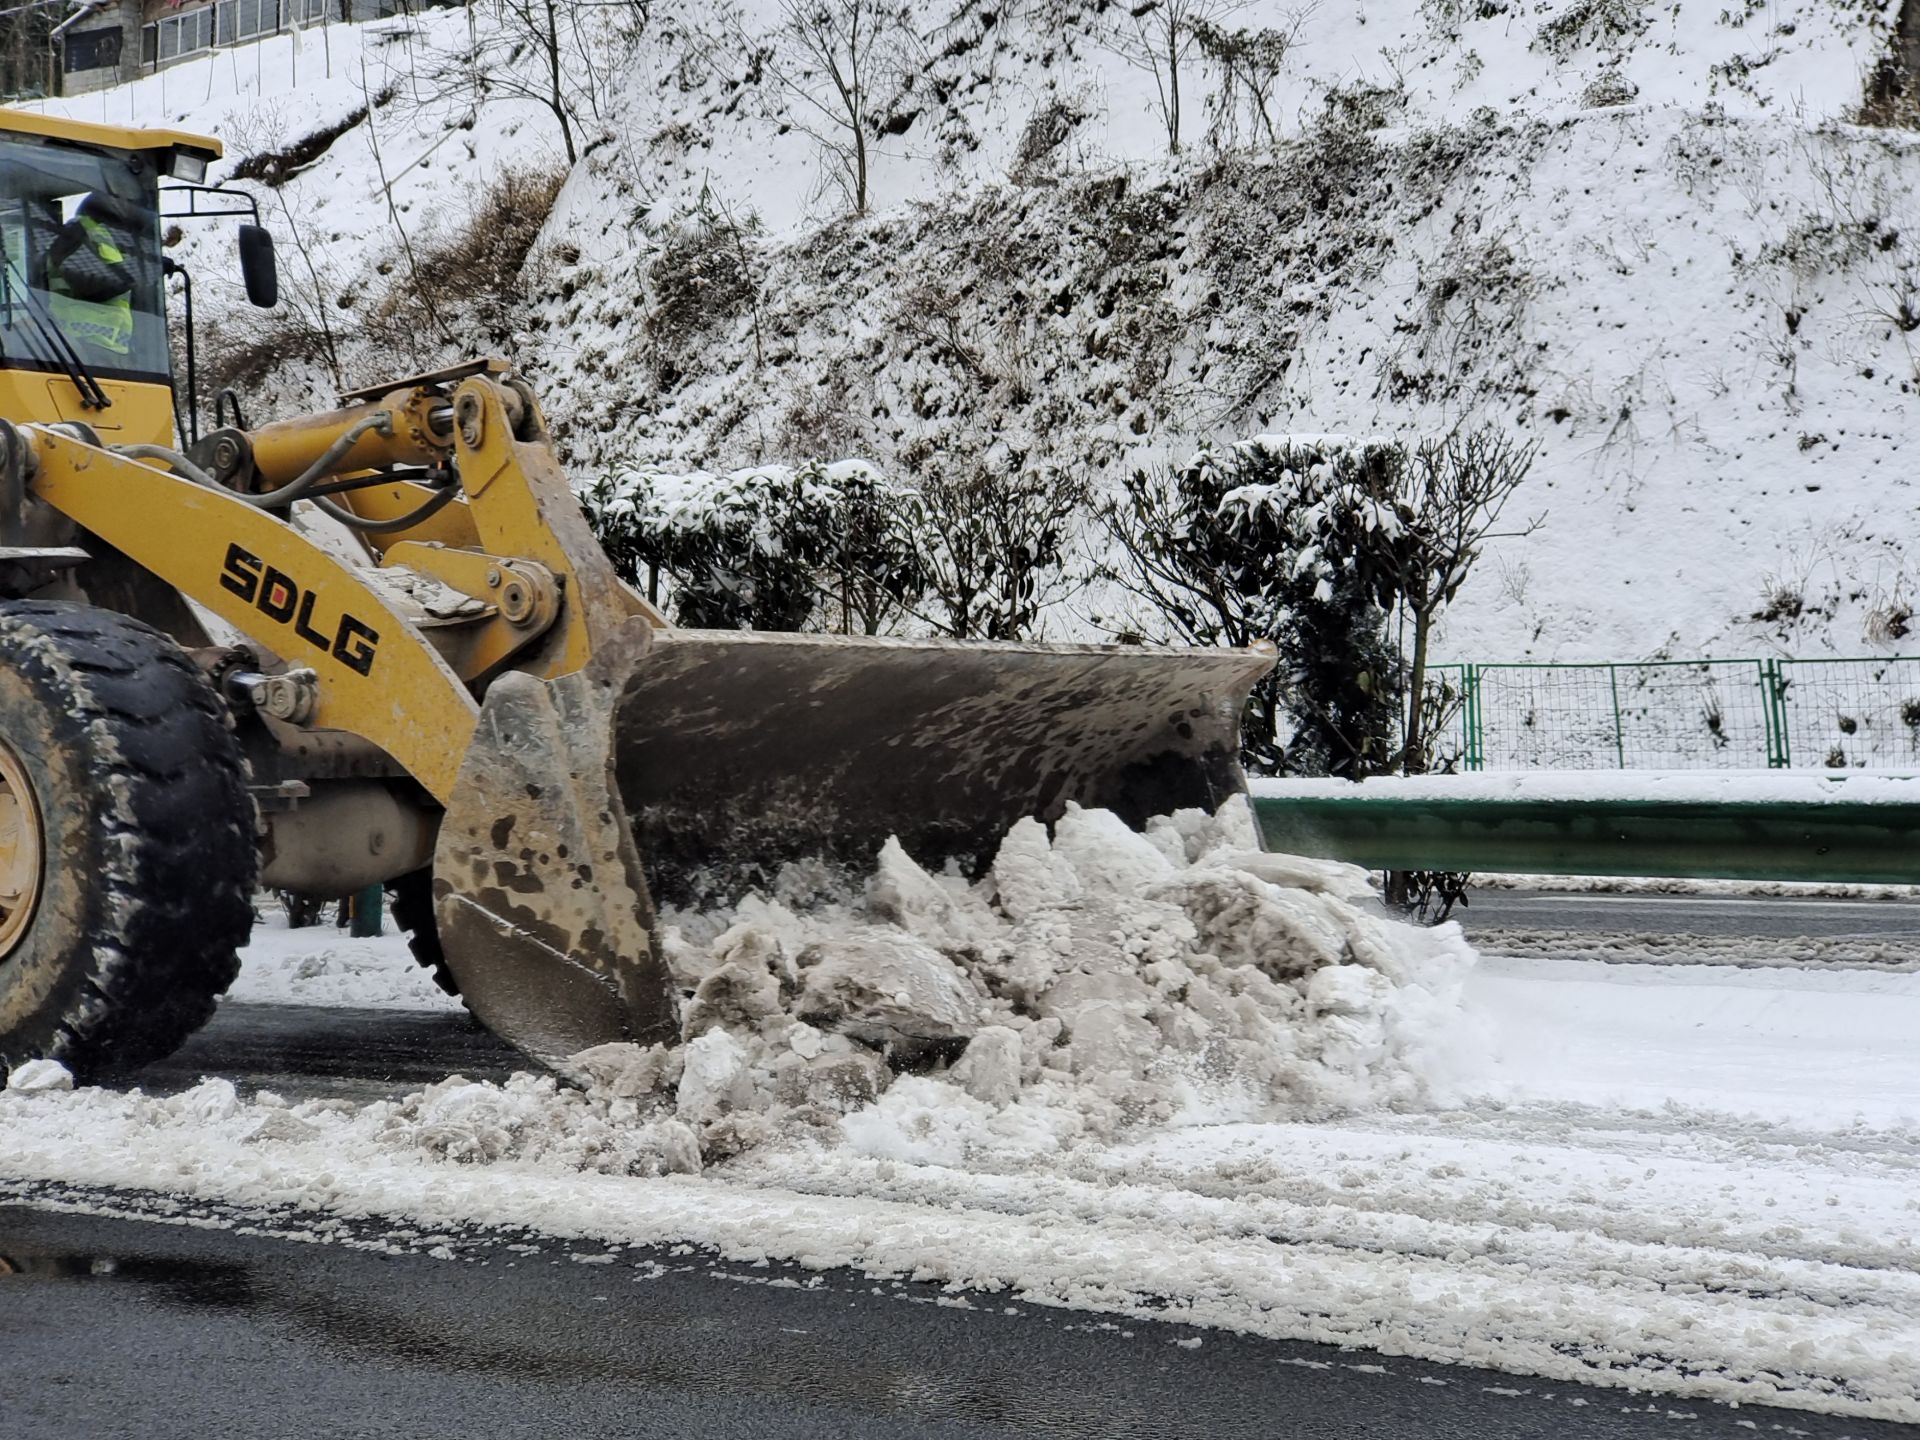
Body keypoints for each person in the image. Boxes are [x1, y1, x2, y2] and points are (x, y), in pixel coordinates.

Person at [44, 193, 136, 360]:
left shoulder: (100, 235)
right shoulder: (76, 235)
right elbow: (94, 283)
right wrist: (142, 272)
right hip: (84, 341)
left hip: (106, 344)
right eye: (122, 203)